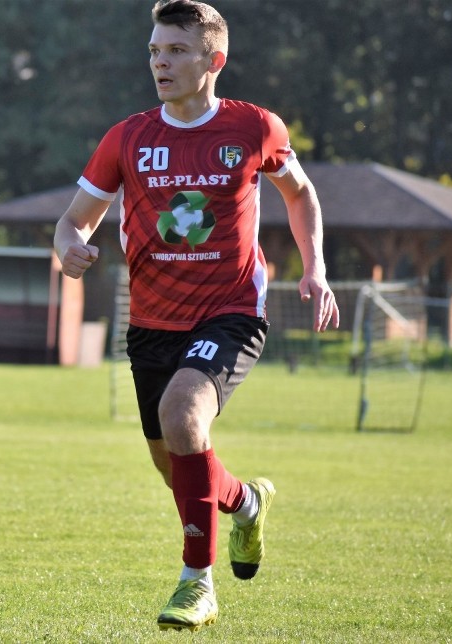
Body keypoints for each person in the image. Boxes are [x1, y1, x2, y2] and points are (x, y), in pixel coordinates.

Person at [53, 0, 340, 632]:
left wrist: (314, 267)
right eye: (155, 51)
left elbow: (301, 195)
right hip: (153, 321)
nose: (161, 62)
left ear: (214, 59)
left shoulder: (254, 128)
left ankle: (196, 584)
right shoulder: (127, 138)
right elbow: (74, 218)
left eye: (177, 51)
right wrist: (69, 246)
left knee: (183, 417)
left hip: (232, 311)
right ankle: (245, 502)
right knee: (175, 462)